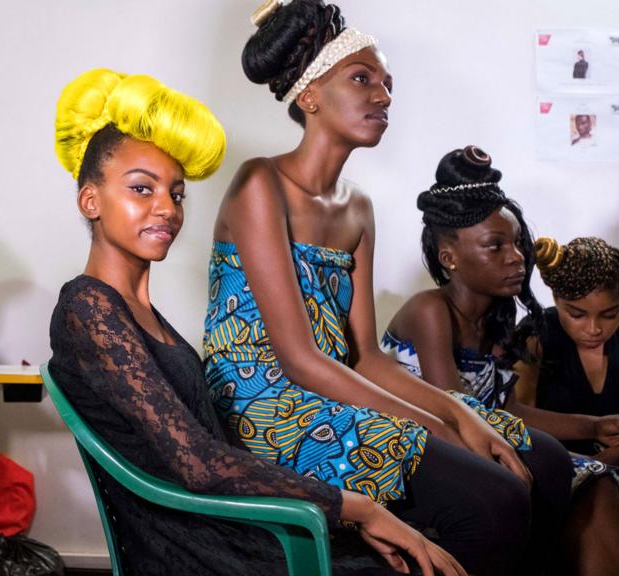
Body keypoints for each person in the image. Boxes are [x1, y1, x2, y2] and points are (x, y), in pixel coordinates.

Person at [48, 67, 465, 576]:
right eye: (142, 190)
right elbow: (199, 464)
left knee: (432, 536)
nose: (166, 209)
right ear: (90, 200)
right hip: (195, 550)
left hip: (229, 526)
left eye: (176, 194)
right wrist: (356, 507)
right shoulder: (89, 308)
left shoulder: (144, 316)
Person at [202, 3, 566, 574]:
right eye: (362, 79)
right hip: (267, 406)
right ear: (310, 96)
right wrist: (442, 424)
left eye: (387, 84)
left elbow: (367, 356)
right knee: (494, 494)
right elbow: (297, 359)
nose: (383, 96)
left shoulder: (358, 208)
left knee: (546, 462)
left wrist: (460, 414)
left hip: (335, 386)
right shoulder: (259, 183)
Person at [381, 147, 619, 576]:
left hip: (483, 448)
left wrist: (595, 426)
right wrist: (595, 456)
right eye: (495, 246)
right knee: (595, 478)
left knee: (601, 487)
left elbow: (506, 412)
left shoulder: (497, 322)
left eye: (518, 242)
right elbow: (460, 413)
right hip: (428, 459)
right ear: (450, 257)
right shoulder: (429, 311)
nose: (517, 256)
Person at [514, 236, 619, 576]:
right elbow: (518, 424)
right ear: (555, 299)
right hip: (553, 463)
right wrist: (601, 460)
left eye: (611, 314)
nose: (594, 329)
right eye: (576, 314)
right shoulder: (537, 333)